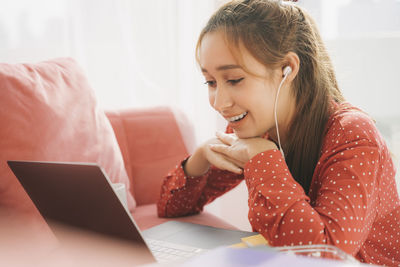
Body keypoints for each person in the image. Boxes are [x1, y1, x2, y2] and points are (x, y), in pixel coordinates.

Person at [157, 0, 400, 265]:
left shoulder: (352, 135)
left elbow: (329, 256)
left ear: (288, 69)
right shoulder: (256, 130)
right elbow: (171, 208)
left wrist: (264, 159)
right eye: (211, 82)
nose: (219, 102)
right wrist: (203, 155)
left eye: (235, 79)